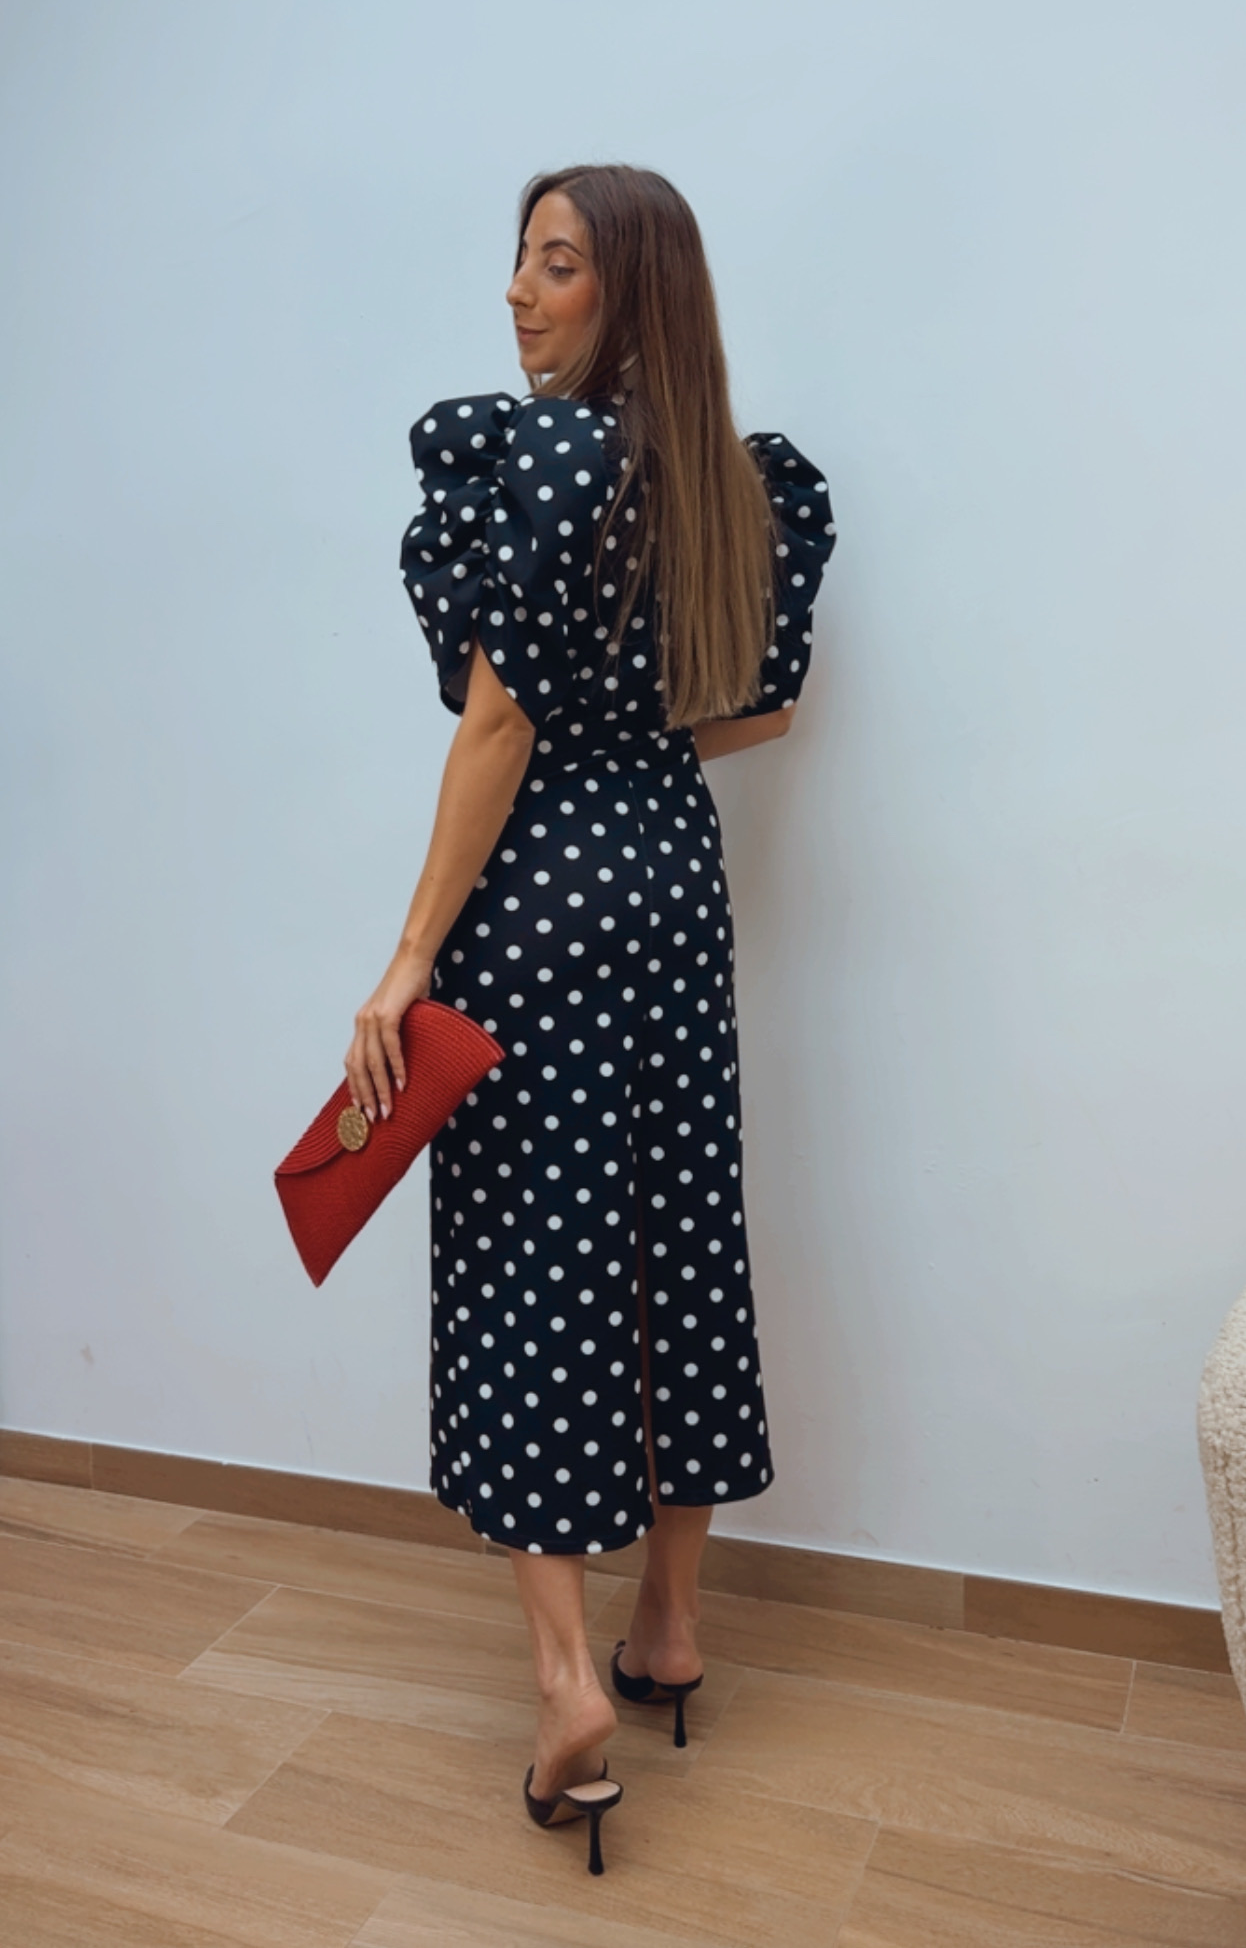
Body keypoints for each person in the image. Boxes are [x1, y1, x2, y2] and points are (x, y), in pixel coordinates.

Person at [344, 163, 836, 1874]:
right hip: (670, 881)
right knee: (673, 1230)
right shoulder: (736, 479)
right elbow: (758, 711)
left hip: (540, 889)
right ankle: (668, 1630)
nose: (517, 291)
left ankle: (567, 1685)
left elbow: (496, 725)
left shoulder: (543, 456)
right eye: (519, 260)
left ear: (631, 288)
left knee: (531, 1257)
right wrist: (633, 744)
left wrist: (407, 958)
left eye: (554, 264)